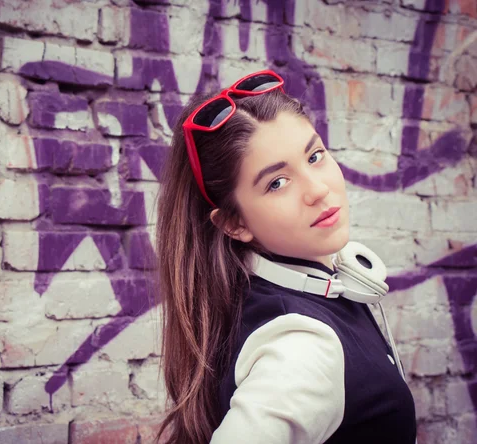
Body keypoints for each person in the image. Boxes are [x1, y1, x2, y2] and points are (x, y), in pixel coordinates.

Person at [154, 70, 417, 444]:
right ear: (234, 223)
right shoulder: (302, 348)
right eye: (277, 182)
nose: (318, 189)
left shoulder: (286, 293)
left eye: (314, 156)